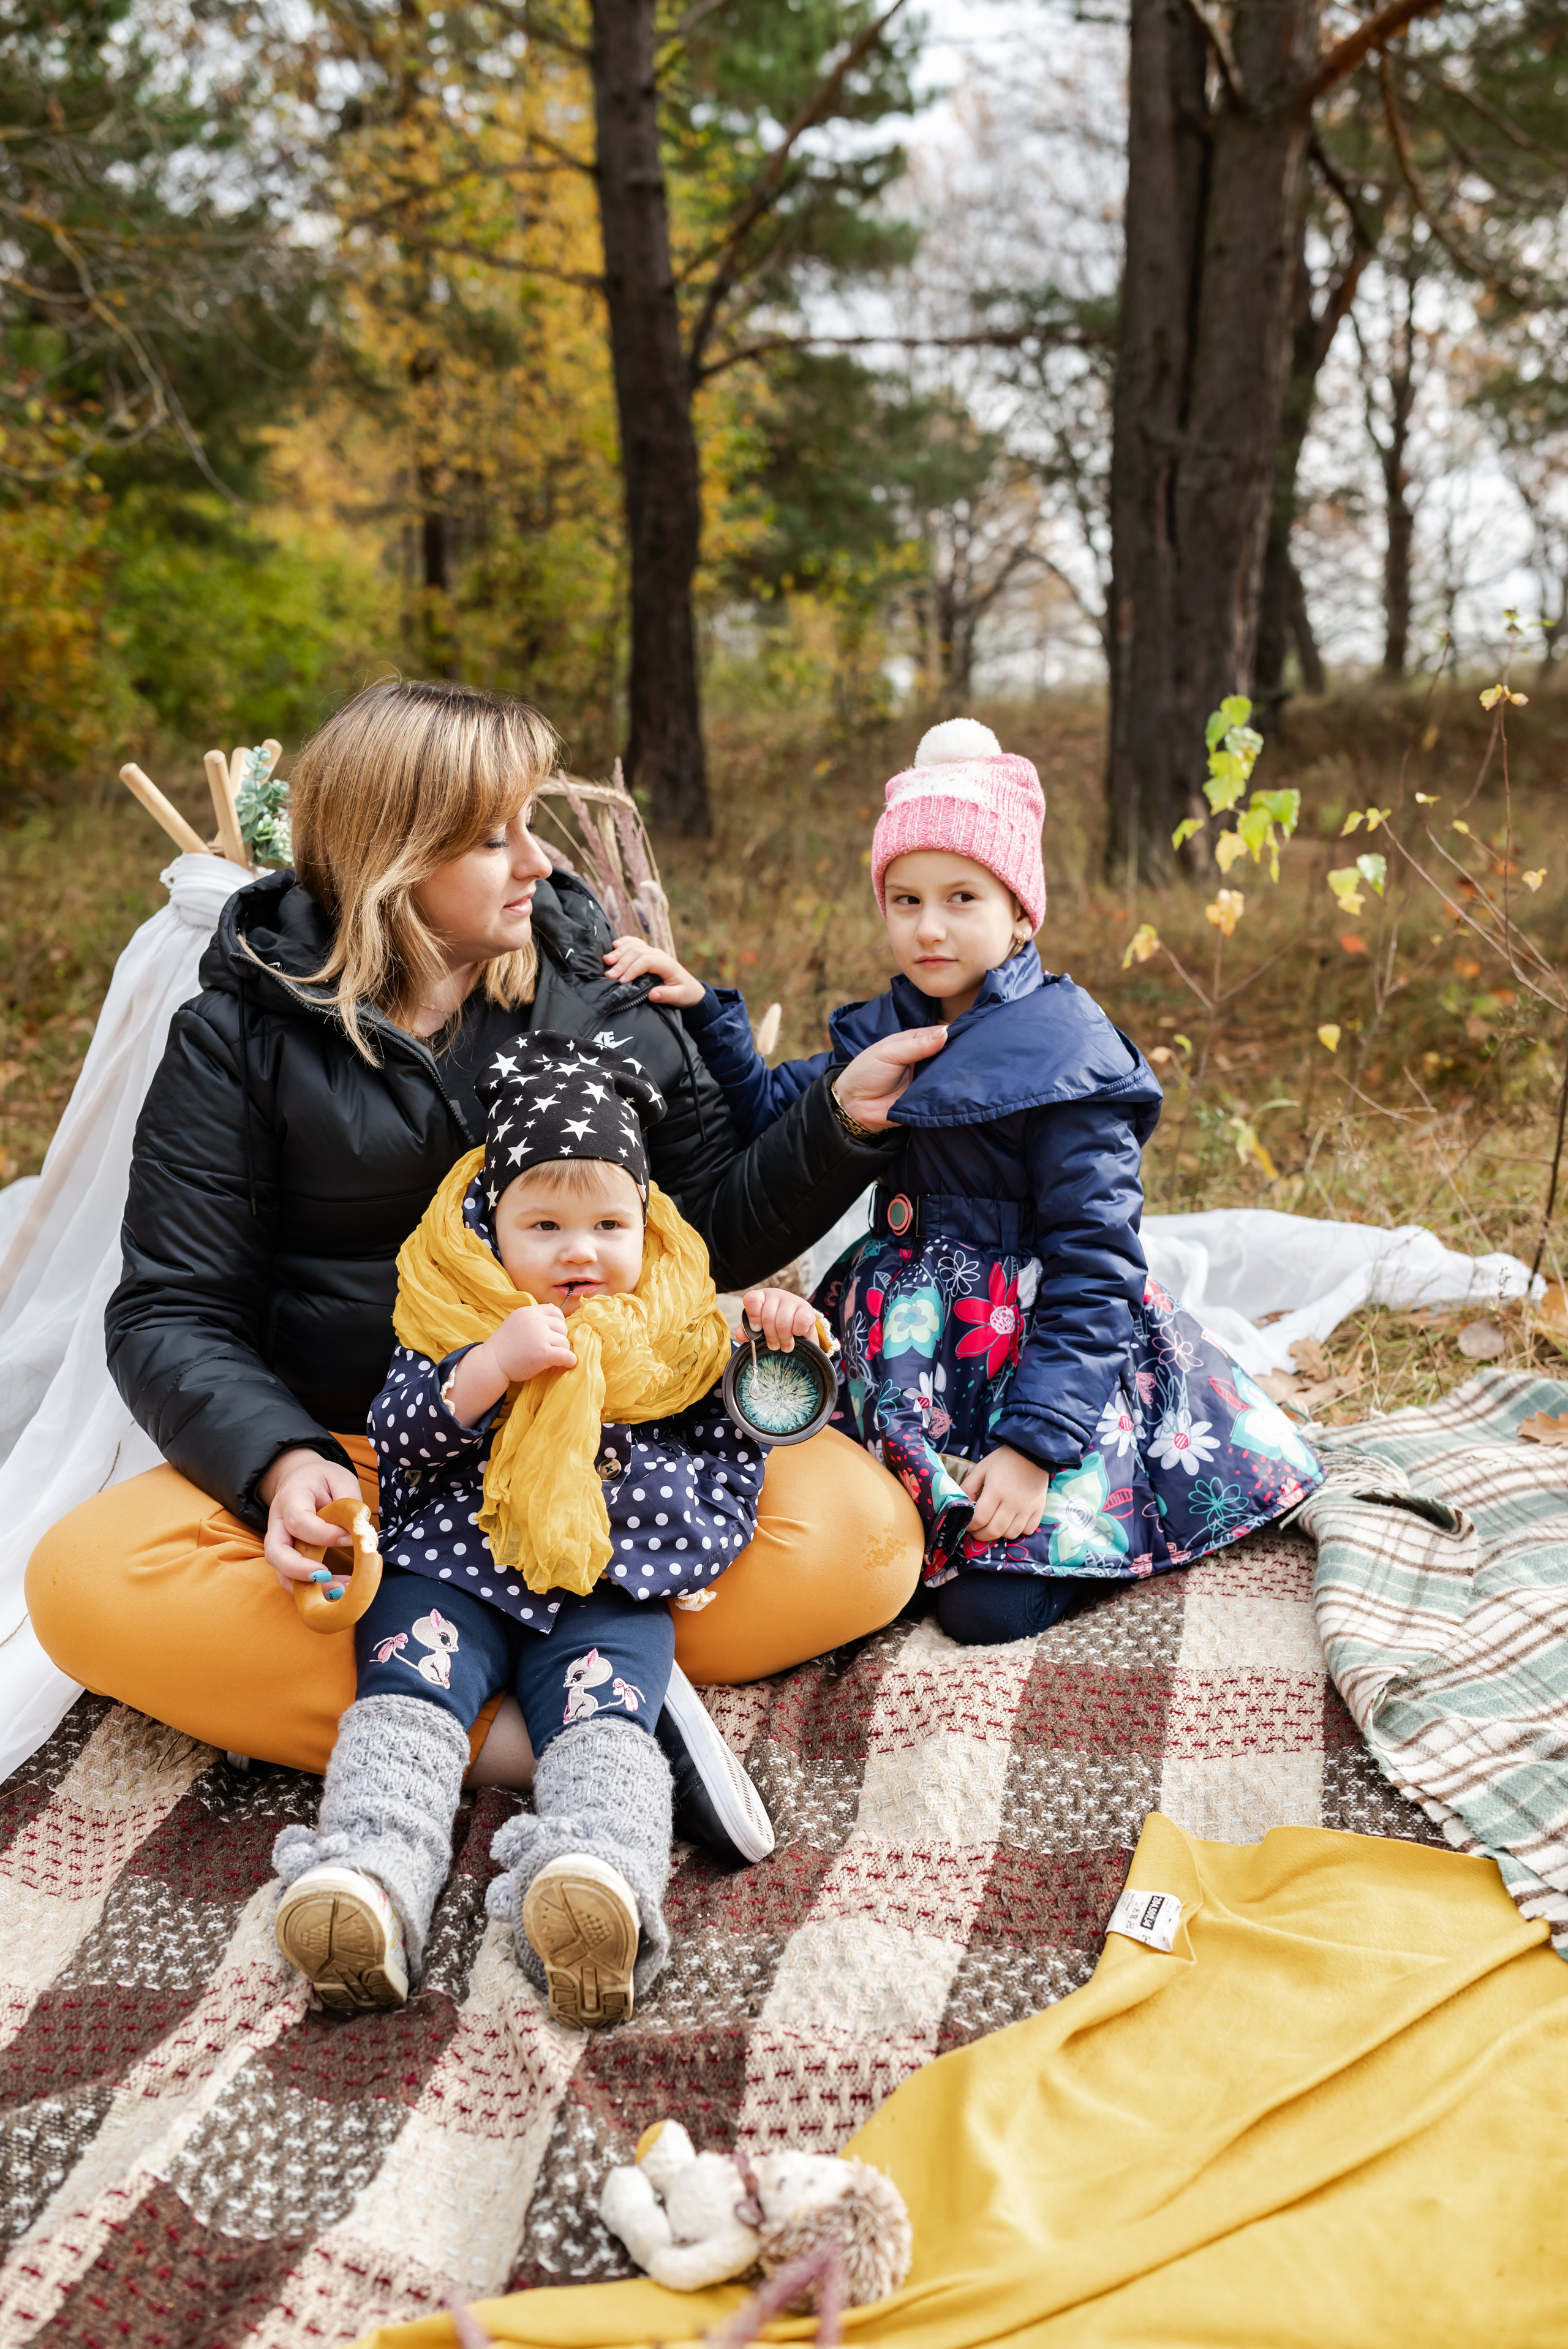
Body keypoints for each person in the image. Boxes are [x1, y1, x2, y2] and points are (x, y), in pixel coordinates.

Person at [26, 679, 928, 1804]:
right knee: (84, 1581)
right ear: (396, 857)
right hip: (373, 1448)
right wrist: (284, 1464)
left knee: (865, 1534)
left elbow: (707, 1228)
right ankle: (582, 1730)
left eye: (531, 829)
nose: (539, 864)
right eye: (494, 839)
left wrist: (839, 1119)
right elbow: (173, 1308)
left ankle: (464, 1693)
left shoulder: (595, 987)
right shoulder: (237, 1035)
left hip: (619, 1457)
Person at [605, 717, 1324, 1645]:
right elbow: (776, 1114)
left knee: (985, 1608)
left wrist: (1032, 1451)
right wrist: (708, 1015)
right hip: (909, 1350)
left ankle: (1101, 1530)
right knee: (871, 1565)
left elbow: (1095, 1262)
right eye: (904, 899)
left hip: (1034, 1362)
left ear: (1021, 910)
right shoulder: (885, 1026)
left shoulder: (1067, 1058)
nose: (929, 926)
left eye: (960, 896)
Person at [273, 1034, 818, 2026]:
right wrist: (489, 1366)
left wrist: (768, 1332)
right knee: (402, 1709)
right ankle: (368, 1874)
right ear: (492, 1230)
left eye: (609, 1223)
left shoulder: (677, 1327)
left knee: (604, 1737)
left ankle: (593, 1882)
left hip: (606, 1585)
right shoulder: (451, 1315)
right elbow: (399, 1433)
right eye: (546, 1223)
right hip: (452, 1571)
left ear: (646, 1231)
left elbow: (746, 1427)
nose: (580, 1249)